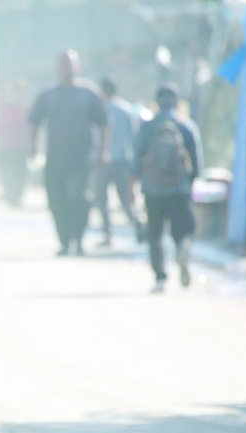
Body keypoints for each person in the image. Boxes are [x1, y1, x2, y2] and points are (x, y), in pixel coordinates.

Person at [28, 50, 108, 256]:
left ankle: (79, 240)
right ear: (57, 67)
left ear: (77, 66)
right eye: (63, 64)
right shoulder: (48, 94)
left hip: (82, 158)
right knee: (57, 200)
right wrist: (33, 148)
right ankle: (64, 242)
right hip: (55, 158)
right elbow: (34, 122)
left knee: (80, 199)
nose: (67, 69)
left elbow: (103, 124)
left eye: (70, 64)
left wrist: (102, 151)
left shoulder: (89, 93)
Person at [130, 84, 202, 293]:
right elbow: (196, 164)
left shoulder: (147, 127)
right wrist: (190, 185)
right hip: (180, 189)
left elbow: (136, 160)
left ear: (157, 102)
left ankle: (160, 277)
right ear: (177, 103)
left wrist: (133, 186)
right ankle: (183, 248)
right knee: (183, 229)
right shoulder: (187, 126)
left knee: (155, 234)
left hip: (153, 189)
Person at [95, 77, 142, 246]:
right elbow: (135, 135)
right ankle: (137, 224)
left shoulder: (100, 109)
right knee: (124, 197)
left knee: (101, 199)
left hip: (103, 159)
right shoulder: (127, 109)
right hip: (123, 159)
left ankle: (107, 234)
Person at [0, 78, 30, 207]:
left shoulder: (27, 108)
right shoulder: (8, 109)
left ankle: (17, 198)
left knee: (20, 173)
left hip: (22, 147)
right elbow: (1, 127)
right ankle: (10, 196)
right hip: (8, 146)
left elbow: (31, 127)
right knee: (8, 172)